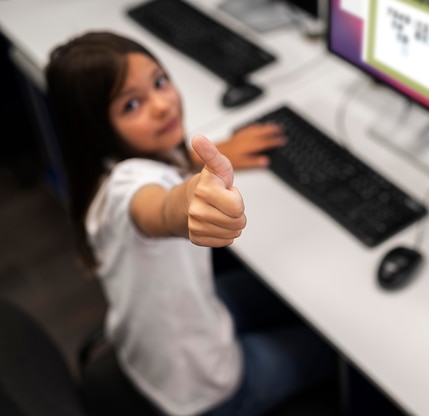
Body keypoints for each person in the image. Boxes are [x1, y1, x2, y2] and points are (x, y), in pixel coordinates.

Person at [44, 31, 336, 416]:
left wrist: (210, 156)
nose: (162, 105)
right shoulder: (125, 191)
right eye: (132, 104)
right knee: (337, 350)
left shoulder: (106, 171)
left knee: (300, 294)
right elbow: (157, 208)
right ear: (95, 130)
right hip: (206, 388)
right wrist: (187, 203)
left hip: (153, 346)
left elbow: (159, 177)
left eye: (160, 82)